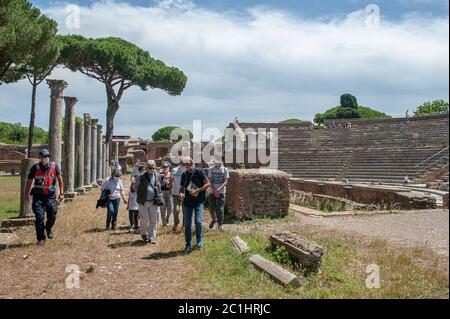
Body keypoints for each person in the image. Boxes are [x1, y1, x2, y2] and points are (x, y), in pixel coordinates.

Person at [24, 149, 64, 246]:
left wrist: (61, 193)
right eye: (44, 156)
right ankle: (41, 238)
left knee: (52, 216)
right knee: (39, 217)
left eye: (47, 156)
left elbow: (60, 179)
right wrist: (26, 194)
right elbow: (29, 182)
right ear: (40, 158)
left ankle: (48, 228)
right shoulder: (34, 168)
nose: (46, 158)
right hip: (38, 197)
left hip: (50, 196)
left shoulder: (54, 166)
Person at [179, 156, 211, 254]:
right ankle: (188, 244)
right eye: (185, 164)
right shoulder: (184, 175)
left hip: (198, 201)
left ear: (192, 164)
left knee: (198, 221)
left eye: (188, 164)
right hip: (187, 202)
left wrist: (197, 190)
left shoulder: (199, 172)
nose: (187, 166)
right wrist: (181, 193)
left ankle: (199, 242)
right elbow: (182, 188)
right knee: (187, 224)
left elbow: (208, 184)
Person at [136, 160, 161, 244]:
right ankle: (143, 233)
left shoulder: (157, 176)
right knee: (145, 219)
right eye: (150, 168)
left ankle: (152, 237)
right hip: (143, 201)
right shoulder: (140, 176)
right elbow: (137, 188)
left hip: (154, 201)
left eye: (153, 168)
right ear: (147, 167)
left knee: (154, 220)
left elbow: (159, 187)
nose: (151, 169)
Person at [208, 160, 229, 231]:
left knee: (220, 209)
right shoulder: (211, 169)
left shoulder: (225, 169)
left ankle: (220, 225)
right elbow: (210, 181)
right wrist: (214, 190)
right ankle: (214, 219)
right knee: (211, 209)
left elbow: (225, 182)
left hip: (221, 192)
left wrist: (218, 190)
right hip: (212, 191)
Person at [170, 162, 184, 231]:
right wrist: (170, 189)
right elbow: (171, 180)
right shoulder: (174, 170)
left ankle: (184, 225)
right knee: (176, 210)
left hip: (185, 194)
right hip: (176, 193)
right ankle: (176, 222)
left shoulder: (187, 170)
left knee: (185, 211)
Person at [159, 161, 172, 227]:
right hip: (162, 192)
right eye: (163, 167)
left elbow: (174, 183)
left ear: (168, 167)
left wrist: (170, 183)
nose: (165, 168)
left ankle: (167, 218)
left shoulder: (171, 174)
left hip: (169, 192)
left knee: (170, 208)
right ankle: (164, 222)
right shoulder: (160, 175)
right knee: (162, 207)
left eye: (166, 166)